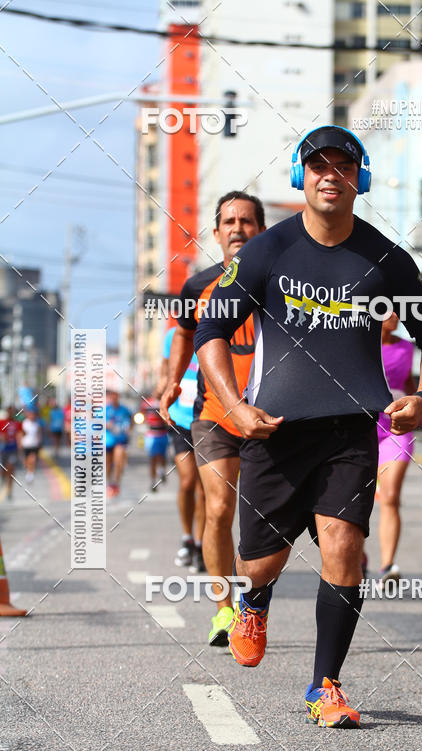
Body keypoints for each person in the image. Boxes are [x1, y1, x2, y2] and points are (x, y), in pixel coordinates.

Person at [194, 125, 422, 728]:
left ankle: (324, 686)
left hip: (350, 429)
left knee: (344, 546)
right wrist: (233, 405)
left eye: (343, 166)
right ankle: (252, 600)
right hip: (274, 431)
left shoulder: (384, 257)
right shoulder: (267, 251)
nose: (330, 175)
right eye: (318, 166)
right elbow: (209, 329)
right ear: (300, 177)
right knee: (262, 562)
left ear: (358, 180)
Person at [160, 190, 265, 645]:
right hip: (214, 414)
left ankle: (253, 604)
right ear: (217, 232)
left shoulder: (282, 283)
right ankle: (224, 610)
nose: (238, 228)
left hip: (270, 416)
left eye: (246, 221)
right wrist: (171, 381)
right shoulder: (197, 285)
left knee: (261, 519)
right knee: (219, 509)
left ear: (260, 229)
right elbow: (182, 333)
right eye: (229, 221)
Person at [158, 329, 206, 572]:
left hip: (207, 419)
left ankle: (200, 544)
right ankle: (187, 537)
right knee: (188, 481)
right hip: (179, 419)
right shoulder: (173, 336)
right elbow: (166, 369)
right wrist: (161, 389)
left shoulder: (220, 326)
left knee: (204, 487)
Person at [376, 311, 418, 583]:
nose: (393, 316)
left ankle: (388, 566)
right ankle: (357, 556)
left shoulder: (406, 348)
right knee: (356, 498)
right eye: (386, 311)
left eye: (397, 312)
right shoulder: (358, 342)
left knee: (390, 496)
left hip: (396, 427)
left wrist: (421, 403)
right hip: (363, 427)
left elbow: (407, 383)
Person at [106, 390, 132, 497]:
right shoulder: (105, 410)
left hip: (120, 439)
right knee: (107, 464)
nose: (114, 399)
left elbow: (131, 421)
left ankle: (116, 483)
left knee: (118, 461)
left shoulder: (125, 410)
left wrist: (129, 429)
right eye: (112, 397)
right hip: (108, 440)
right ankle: (109, 482)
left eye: (115, 397)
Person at [141, 395, 169, 493]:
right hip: (151, 434)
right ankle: (153, 482)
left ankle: (161, 470)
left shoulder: (165, 400)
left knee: (162, 456)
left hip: (163, 433)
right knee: (153, 458)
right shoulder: (146, 403)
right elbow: (142, 414)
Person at [0, 406, 22, 499]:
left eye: (12, 412)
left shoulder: (17, 423)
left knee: (11, 468)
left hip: (13, 449)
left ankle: (10, 490)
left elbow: (19, 435)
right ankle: (4, 480)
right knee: (4, 470)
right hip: (3, 449)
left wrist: (20, 448)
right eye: (9, 412)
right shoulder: (2, 423)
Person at [21, 408, 43, 483]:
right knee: (27, 461)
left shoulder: (36, 424)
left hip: (34, 445)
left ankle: (31, 474)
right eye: (31, 415)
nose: (32, 416)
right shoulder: (24, 423)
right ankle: (28, 471)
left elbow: (39, 434)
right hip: (26, 444)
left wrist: (40, 443)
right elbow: (21, 434)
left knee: (33, 459)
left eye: (33, 415)